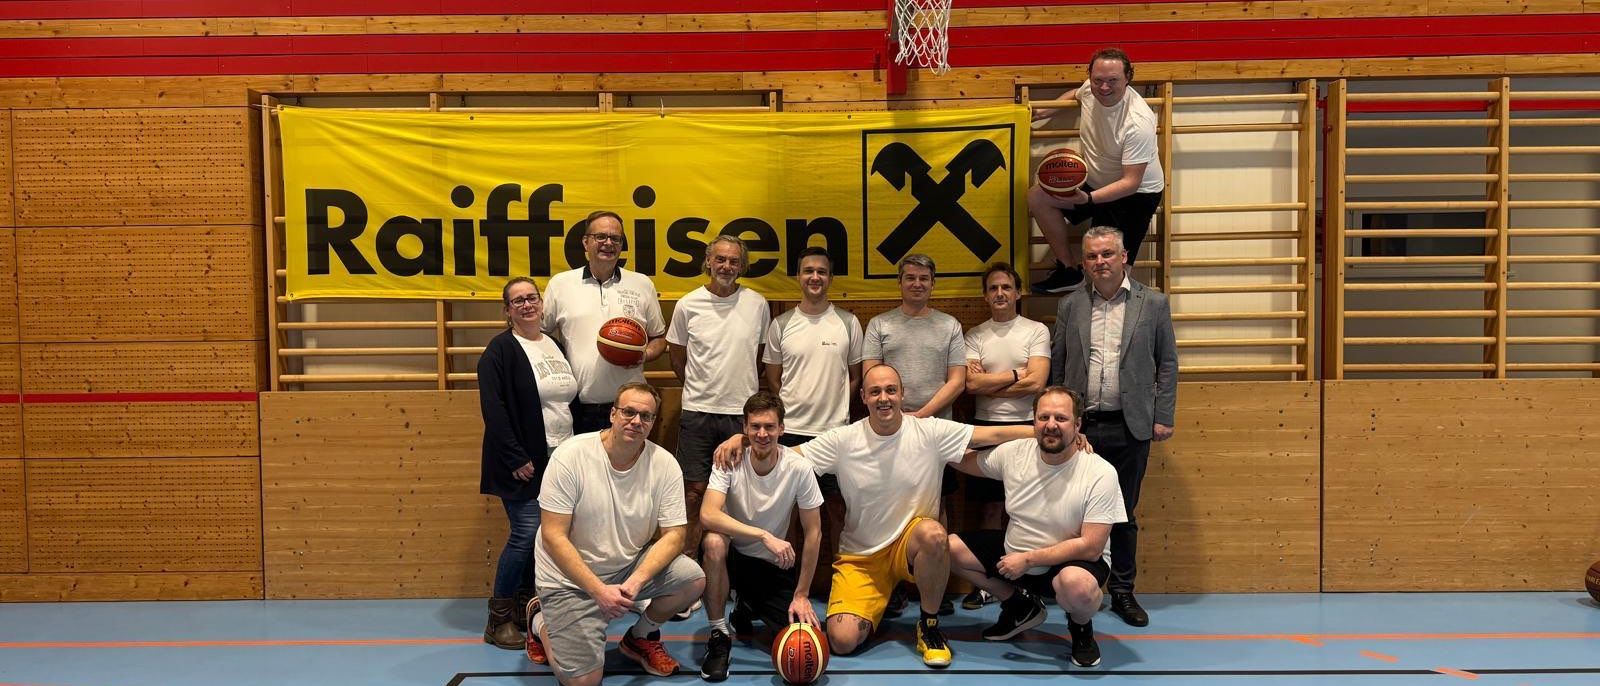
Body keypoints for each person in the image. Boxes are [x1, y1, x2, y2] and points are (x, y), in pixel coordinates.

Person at [718, 364, 1035, 668]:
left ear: (902, 394)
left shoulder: (930, 431)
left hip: (910, 546)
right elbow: (786, 455)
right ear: (864, 397)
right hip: (862, 558)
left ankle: (929, 625)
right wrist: (742, 440)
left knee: (934, 535)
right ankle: (879, 603)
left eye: (890, 390)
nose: (884, 398)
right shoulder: (843, 440)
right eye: (875, 391)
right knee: (841, 641)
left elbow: (991, 434)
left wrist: (1042, 430)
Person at [530, 383, 706, 685]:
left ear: (653, 422)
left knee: (692, 580)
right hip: (568, 579)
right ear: (613, 414)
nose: (636, 421)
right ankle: (540, 621)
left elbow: (675, 535)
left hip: (626, 568)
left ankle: (639, 637)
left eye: (646, 416)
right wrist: (599, 592)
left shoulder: (665, 465)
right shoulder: (571, 456)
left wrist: (636, 582)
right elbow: (553, 536)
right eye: (628, 412)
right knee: (584, 682)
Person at [1049, 225, 1178, 627]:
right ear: (1083, 262)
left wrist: (1163, 416)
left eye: (1107, 254)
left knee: (1123, 513)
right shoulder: (1071, 305)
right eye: (1092, 256)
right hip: (1081, 428)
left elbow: (1167, 364)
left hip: (1130, 424)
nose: (1100, 262)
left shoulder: (1152, 303)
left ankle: (1122, 591)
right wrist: (1061, 417)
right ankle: (1074, 586)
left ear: (1123, 257)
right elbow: (1058, 363)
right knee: (1072, 511)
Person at [948, 387, 1126, 669]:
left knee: (1077, 587)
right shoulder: (1015, 453)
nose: (1051, 425)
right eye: (1044, 417)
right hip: (1016, 556)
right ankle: (1020, 606)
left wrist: (1029, 559)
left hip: (1069, 562)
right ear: (1033, 421)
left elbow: (1091, 547)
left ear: (1078, 425)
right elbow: (967, 461)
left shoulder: (1100, 472)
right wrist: (931, 444)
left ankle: (1081, 627)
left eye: (1061, 418)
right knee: (944, 549)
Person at [667, 235, 771, 602]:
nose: (726, 266)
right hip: (697, 412)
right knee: (694, 494)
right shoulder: (688, 304)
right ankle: (687, 582)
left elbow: (759, 356)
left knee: (742, 497)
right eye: (720, 259)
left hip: (740, 416)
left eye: (734, 261)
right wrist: (702, 388)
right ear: (708, 262)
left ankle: (738, 582)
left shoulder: (757, 304)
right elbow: (677, 356)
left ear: (742, 266)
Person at [477, 277, 578, 653]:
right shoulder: (500, 350)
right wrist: (516, 456)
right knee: (525, 533)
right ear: (507, 311)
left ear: (541, 303)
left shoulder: (554, 344)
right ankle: (498, 618)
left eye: (532, 298)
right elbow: (494, 410)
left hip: (559, 455)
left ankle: (524, 608)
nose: (526, 305)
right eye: (517, 301)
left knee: (544, 536)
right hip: (521, 461)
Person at [696, 391, 823, 682]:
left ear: (782, 428)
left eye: (769, 426)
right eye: (755, 426)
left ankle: (747, 603)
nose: (762, 434)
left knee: (803, 639)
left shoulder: (799, 468)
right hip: (733, 558)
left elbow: (814, 533)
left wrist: (802, 594)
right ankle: (719, 635)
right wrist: (762, 534)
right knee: (713, 542)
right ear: (745, 428)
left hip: (770, 564)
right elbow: (708, 515)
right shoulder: (729, 459)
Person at [761, 245, 861, 597]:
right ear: (798, 277)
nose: (814, 277)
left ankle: (843, 585)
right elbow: (773, 378)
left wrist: (835, 410)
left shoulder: (848, 322)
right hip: (790, 436)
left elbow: (855, 377)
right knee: (786, 515)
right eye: (808, 271)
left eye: (821, 271)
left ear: (830, 278)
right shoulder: (781, 324)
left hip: (834, 435)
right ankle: (784, 587)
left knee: (838, 512)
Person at [1028, 47, 1166, 294]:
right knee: (1038, 196)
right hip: (1096, 181)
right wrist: (1043, 112)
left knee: (1111, 277)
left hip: (1135, 195)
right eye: (1097, 80)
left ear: (1128, 78)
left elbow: (1131, 182)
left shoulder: (1138, 121)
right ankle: (1069, 271)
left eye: (1112, 80)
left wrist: (1089, 199)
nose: (1103, 87)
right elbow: (1075, 94)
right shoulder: (1090, 90)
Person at [959, 261, 1050, 609]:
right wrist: (1015, 374)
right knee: (988, 508)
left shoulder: (1035, 331)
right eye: (993, 288)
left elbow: (1037, 382)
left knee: (1022, 509)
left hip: (1027, 429)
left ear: (1018, 293)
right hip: (985, 428)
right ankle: (989, 583)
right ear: (985, 295)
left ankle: (1024, 581)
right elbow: (970, 385)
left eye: (1006, 287)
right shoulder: (975, 335)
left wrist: (990, 382)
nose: (1000, 293)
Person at [542, 210, 668, 433]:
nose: (608, 243)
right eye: (600, 237)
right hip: (579, 405)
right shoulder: (560, 284)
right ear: (586, 242)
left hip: (631, 407)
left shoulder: (641, 284)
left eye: (615, 238)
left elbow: (659, 337)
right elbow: (540, 335)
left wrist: (645, 354)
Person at [862, 253, 965, 420]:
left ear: (932, 283)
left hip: (939, 423)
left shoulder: (951, 325)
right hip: (891, 422)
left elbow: (957, 381)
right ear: (900, 282)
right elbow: (870, 379)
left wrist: (920, 416)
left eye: (924, 278)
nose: (917, 284)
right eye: (910, 278)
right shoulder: (878, 325)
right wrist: (900, 417)